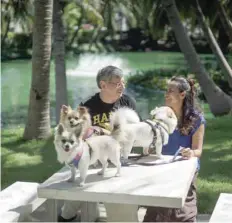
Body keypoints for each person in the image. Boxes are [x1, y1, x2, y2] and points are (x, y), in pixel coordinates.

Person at [58, 65, 137, 222]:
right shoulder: (87, 106)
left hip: (117, 158)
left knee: (120, 209)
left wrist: (105, 133)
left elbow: (134, 133)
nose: (122, 86)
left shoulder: (128, 103)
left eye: (123, 82)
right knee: (71, 204)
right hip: (92, 159)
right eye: (117, 83)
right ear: (103, 85)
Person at [143, 76, 206, 222]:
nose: (166, 94)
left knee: (182, 215)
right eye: (166, 90)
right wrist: (150, 148)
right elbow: (153, 142)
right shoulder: (161, 114)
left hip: (185, 169)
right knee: (154, 214)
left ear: (182, 95)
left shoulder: (196, 118)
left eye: (170, 91)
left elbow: (198, 151)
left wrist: (191, 153)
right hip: (161, 166)